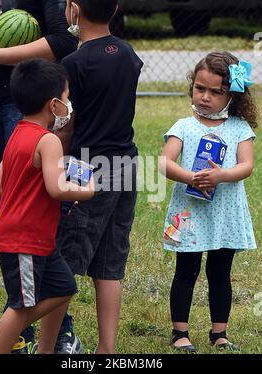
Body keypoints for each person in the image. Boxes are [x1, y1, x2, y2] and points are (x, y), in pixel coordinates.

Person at [0, 1, 82, 354]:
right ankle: (16, 328)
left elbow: (63, 40)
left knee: (38, 216)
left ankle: (56, 333)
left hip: (24, 106)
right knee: (11, 214)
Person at [52, 0, 143, 354]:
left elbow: (67, 126)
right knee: (110, 262)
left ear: (73, 8)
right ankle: (107, 349)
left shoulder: (73, 63)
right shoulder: (128, 53)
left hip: (87, 168)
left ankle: (49, 345)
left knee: (65, 260)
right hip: (128, 163)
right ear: (116, 6)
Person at [161, 52, 257, 353]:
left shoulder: (239, 127)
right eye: (200, 88)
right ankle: (180, 332)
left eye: (216, 92)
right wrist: (190, 177)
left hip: (224, 213)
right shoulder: (184, 127)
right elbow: (165, 163)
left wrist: (222, 175)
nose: (206, 97)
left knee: (220, 272)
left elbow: (247, 166)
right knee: (186, 271)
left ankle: (220, 333)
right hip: (190, 213)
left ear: (232, 95)